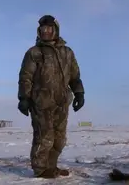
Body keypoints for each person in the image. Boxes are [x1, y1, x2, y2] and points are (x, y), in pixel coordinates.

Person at [17, 15, 85, 178]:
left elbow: (75, 76)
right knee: (44, 136)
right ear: (39, 31)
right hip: (41, 102)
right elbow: (25, 76)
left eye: (49, 29)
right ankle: (40, 170)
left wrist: (79, 93)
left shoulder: (67, 52)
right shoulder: (34, 52)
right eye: (43, 29)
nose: (46, 32)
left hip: (62, 102)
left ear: (56, 30)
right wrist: (24, 98)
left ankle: (51, 166)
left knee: (59, 139)